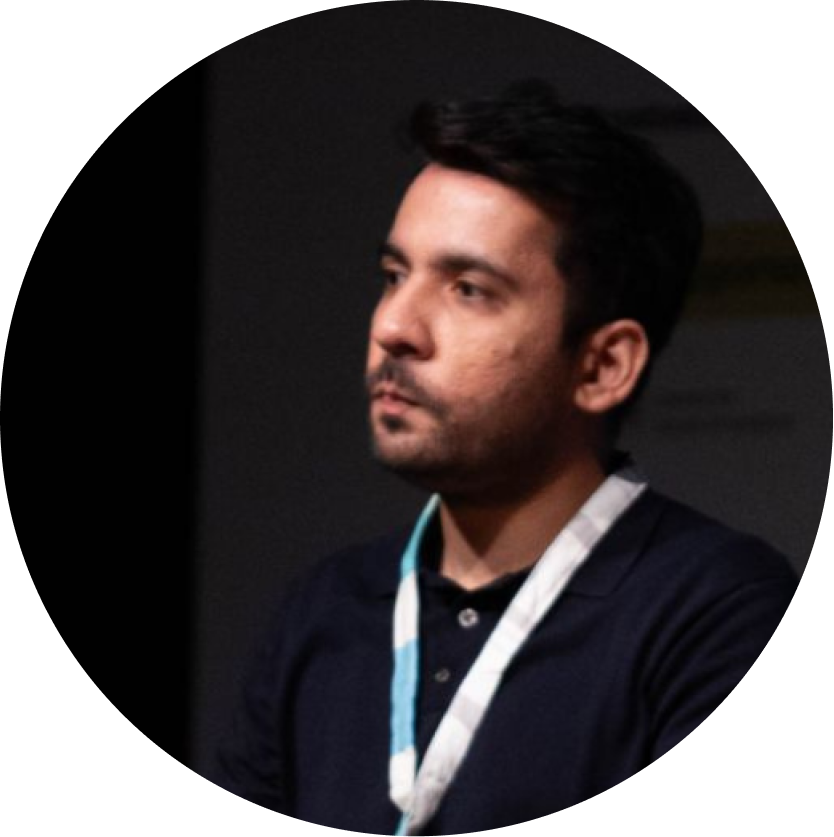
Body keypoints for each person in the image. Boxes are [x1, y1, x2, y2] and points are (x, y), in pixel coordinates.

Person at [210, 80, 798, 833]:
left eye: (467, 289)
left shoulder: (715, 611)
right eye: (394, 276)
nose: (394, 326)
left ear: (602, 366)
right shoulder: (323, 612)